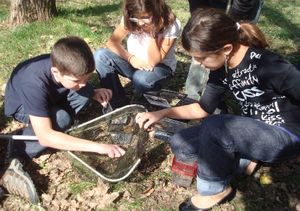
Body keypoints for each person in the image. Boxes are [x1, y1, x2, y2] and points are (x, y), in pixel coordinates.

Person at [136, 9, 300, 210]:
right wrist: (161, 113)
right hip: (252, 131)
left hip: (283, 136)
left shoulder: (269, 64)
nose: (198, 63)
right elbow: (203, 108)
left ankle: (214, 190)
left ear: (226, 48)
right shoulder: (222, 67)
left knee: (216, 126)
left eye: (201, 58)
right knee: (181, 143)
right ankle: (246, 161)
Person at [4, 36, 125, 159]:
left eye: (87, 78)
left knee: (86, 91)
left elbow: (82, 85)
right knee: (62, 119)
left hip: (50, 96)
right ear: (56, 72)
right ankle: (19, 145)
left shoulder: (66, 64)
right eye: (76, 80)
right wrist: (98, 147)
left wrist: (93, 92)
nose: (82, 83)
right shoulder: (33, 84)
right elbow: (45, 136)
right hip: (22, 105)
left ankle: (59, 127)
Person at [94, 0, 181, 108]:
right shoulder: (130, 19)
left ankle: (148, 100)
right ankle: (117, 104)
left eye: (145, 17)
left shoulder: (171, 24)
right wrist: (130, 58)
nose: (140, 23)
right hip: (134, 63)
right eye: (135, 17)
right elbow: (112, 43)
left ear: (157, 10)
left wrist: (153, 33)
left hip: (159, 67)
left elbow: (153, 61)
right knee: (100, 56)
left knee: (141, 79)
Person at [185, 0, 264, 101]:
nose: (197, 63)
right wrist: (201, 27)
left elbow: (244, 3)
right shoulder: (215, 61)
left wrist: (229, 28)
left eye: (201, 58)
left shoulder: (275, 70)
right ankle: (194, 96)